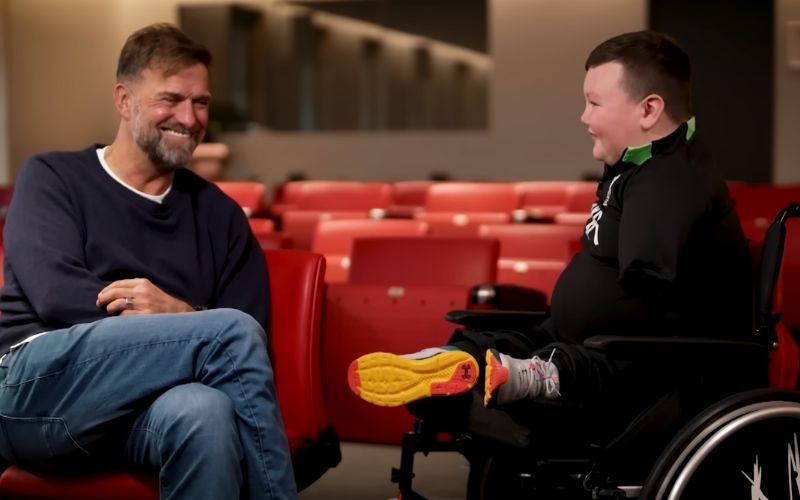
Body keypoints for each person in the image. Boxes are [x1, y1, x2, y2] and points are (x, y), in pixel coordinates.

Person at [349, 31, 757, 456]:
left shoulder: (669, 181)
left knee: (576, 358)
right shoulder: (638, 165)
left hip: (650, 366)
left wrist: (570, 338)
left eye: (595, 103)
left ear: (649, 110)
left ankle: (525, 376)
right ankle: (461, 362)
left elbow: (646, 299)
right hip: (579, 339)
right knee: (487, 341)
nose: (584, 117)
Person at [0, 24, 296, 499]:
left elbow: (252, 343)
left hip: (147, 410)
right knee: (228, 334)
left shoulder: (220, 216)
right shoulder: (52, 177)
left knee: (205, 412)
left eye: (201, 102)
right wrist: (187, 332)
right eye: (171, 99)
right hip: (37, 394)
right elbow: (57, 298)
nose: (190, 116)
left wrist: (180, 317)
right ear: (124, 100)